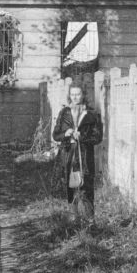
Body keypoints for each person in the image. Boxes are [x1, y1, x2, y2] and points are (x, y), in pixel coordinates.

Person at [52, 84, 103, 219]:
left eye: (78, 94)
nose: (75, 97)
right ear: (69, 96)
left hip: (84, 156)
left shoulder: (92, 114)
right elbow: (55, 135)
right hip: (68, 155)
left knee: (86, 189)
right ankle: (74, 219)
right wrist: (65, 134)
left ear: (83, 95)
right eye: (72, 94)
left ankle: (89, 221)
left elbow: (98, 137)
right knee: (70, 188)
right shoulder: (64, 113)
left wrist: (83, 137)